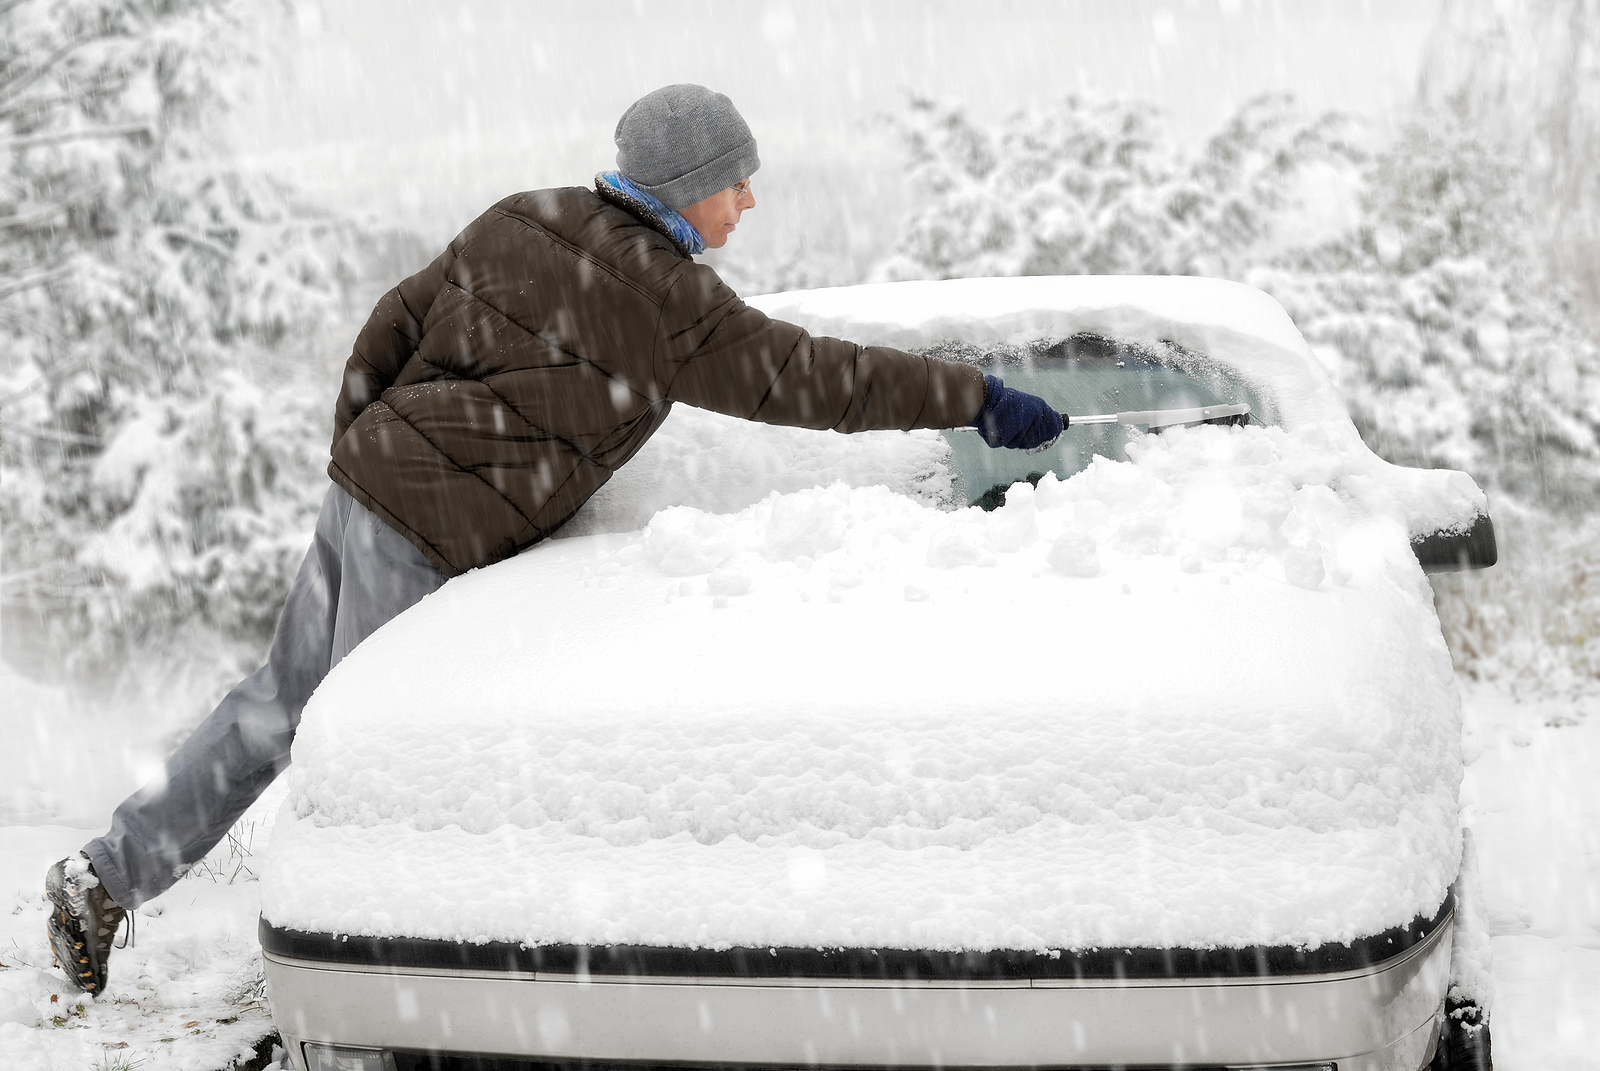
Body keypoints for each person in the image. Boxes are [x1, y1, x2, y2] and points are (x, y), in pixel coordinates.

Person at [44, 84, 1063, 993]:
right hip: (422, 526)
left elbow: (390, 325)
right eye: (736, 181)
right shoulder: (671, 302)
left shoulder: (522, 217)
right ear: (687, 183)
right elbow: (814, 380)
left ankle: (107, 874)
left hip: (362, 491)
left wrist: (363, 442)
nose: (748, 201)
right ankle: (379, 975)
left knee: (277, 705)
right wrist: (971, 396)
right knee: (370, 760)